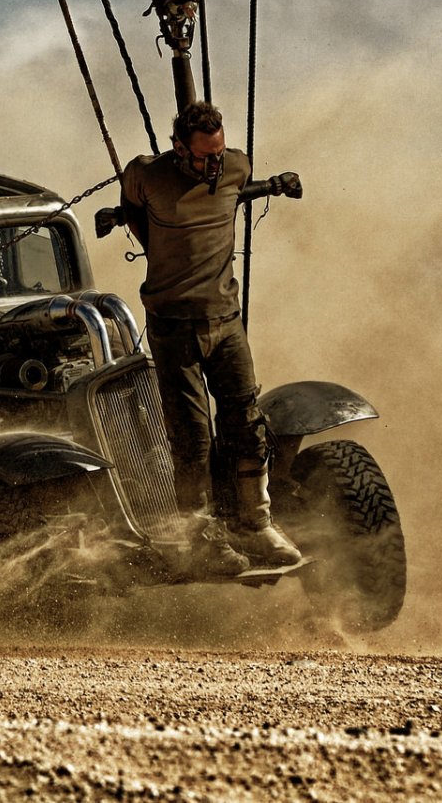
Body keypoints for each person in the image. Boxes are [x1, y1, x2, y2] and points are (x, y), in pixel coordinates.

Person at [113, 101, 305, 574]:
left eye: (218, 154)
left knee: (245, 419)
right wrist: (157, 248)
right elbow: (133, 210)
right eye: (203, 157)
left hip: (225, 320)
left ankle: (256, 523)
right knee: (192, 435)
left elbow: (236, 192)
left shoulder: (236, 167)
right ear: (178, 148)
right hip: (172, 325)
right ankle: (201, 539)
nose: (213, 164)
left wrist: (276, 184)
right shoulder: (146, 174)